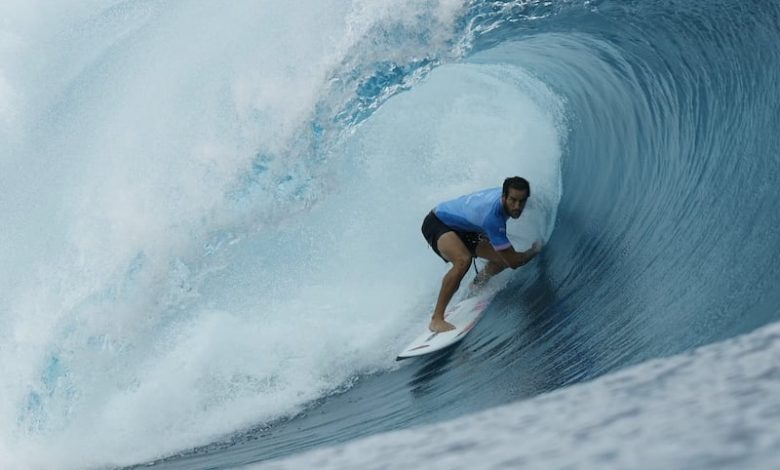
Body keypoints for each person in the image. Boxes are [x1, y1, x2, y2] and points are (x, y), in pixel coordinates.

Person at [421, 176, 543, 332]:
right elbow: (514, 262)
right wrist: (534, 250)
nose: (517, 206)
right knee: (463, 260)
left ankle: (477, 285)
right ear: (504, 196)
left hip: (465, 228)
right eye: (512, 200)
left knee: (501, 260)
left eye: (522, 201)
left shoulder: (508, 198)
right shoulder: (493, 218)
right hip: (437, 222)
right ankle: (436, 319)